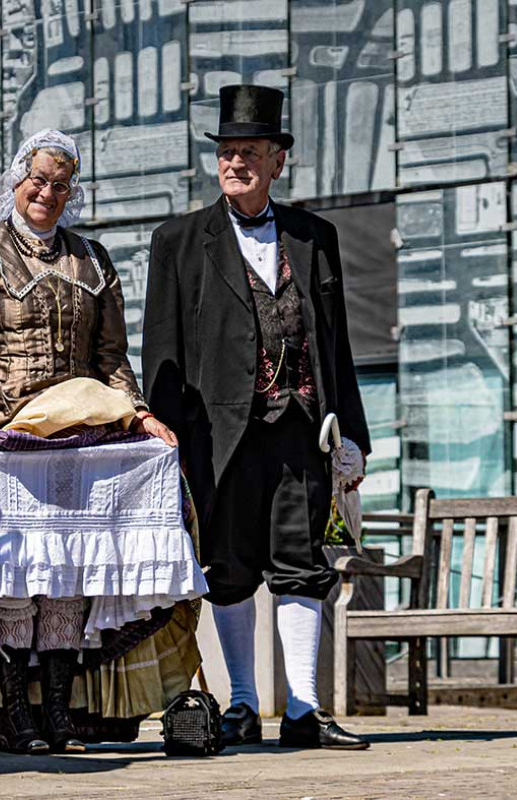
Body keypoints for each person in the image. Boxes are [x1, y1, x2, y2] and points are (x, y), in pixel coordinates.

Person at [0, 129, 200, 755]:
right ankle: (17, 716)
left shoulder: (93, 260)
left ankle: (62, 717)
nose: (47, 192)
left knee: (69, 572)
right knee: (14, 571)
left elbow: (111, 357)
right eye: (38, 180)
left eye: (60, 184)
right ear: (17, 179)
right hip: (10, 439)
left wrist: (140, 415)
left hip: (82, 442)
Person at [142, 84, 372, 750]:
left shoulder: (315, 238)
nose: (235, 162)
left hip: (302, 428)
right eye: (227, 152)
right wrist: (164, 441)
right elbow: (161, 348)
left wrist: (352, 435)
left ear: (277, 161)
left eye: (250, 152)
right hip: (217, 435)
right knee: (230, 565)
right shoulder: (179, 241)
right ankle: (242, 705)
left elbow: (337, 344)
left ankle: (303, 711)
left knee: (302, 563)